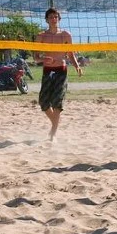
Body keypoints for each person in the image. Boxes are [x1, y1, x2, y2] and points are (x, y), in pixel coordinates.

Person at [33, 8, 83, 140]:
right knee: (43, 102)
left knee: (57, 102)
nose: (53, 19)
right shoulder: (41, 36)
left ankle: (53, 133)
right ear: (47, 20)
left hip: (61, 70)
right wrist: (44, 59)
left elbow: (70, 53)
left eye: (56, 17)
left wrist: (77, 66)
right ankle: (55, 124)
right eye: (51, 17)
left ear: (59, 19)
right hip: (48, 70)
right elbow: (36, 58)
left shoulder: (66, 35)